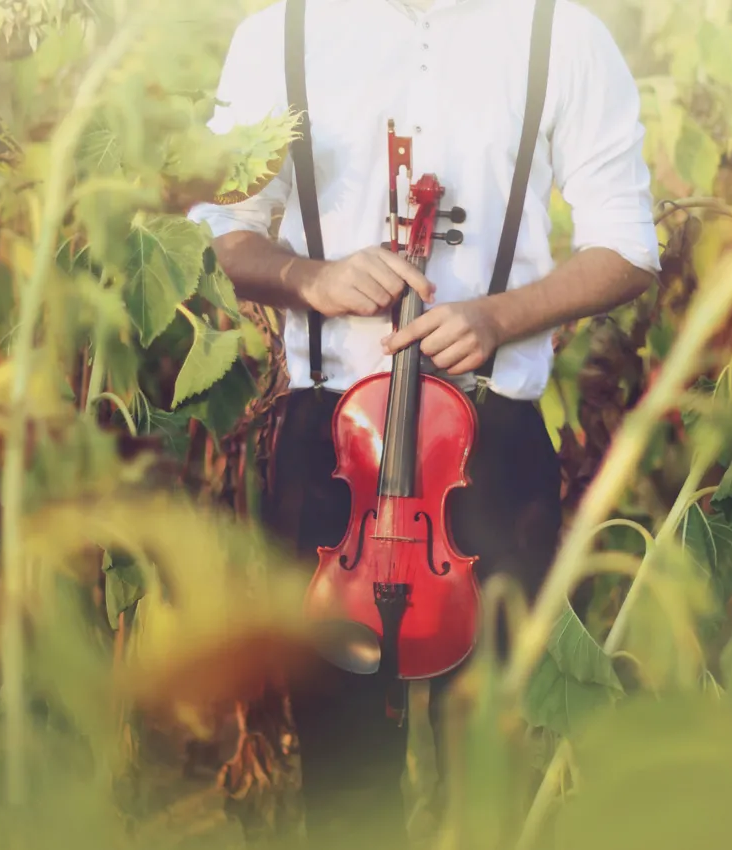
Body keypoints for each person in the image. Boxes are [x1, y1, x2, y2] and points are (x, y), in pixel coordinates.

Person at [189, 0, 660, 846]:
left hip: (488, 448)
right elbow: (229, 231)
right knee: (341, 774)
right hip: (330, 447)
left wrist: (498, 317)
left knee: (492, 767)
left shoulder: (560, 34)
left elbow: (626, 246)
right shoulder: (278, 34)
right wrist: (307, 276)